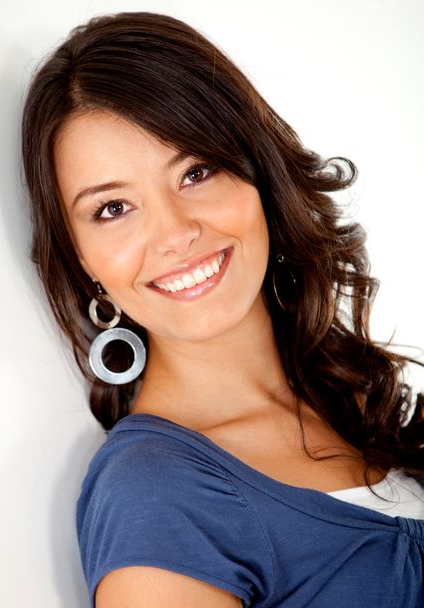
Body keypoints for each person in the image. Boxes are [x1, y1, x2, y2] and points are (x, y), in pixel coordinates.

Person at [21, 11, 423, 608]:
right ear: (83, 262)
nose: (175, 233)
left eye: (196, 172)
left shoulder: (347, 396)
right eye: (113, 209)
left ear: (260, 176)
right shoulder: (154, 492)